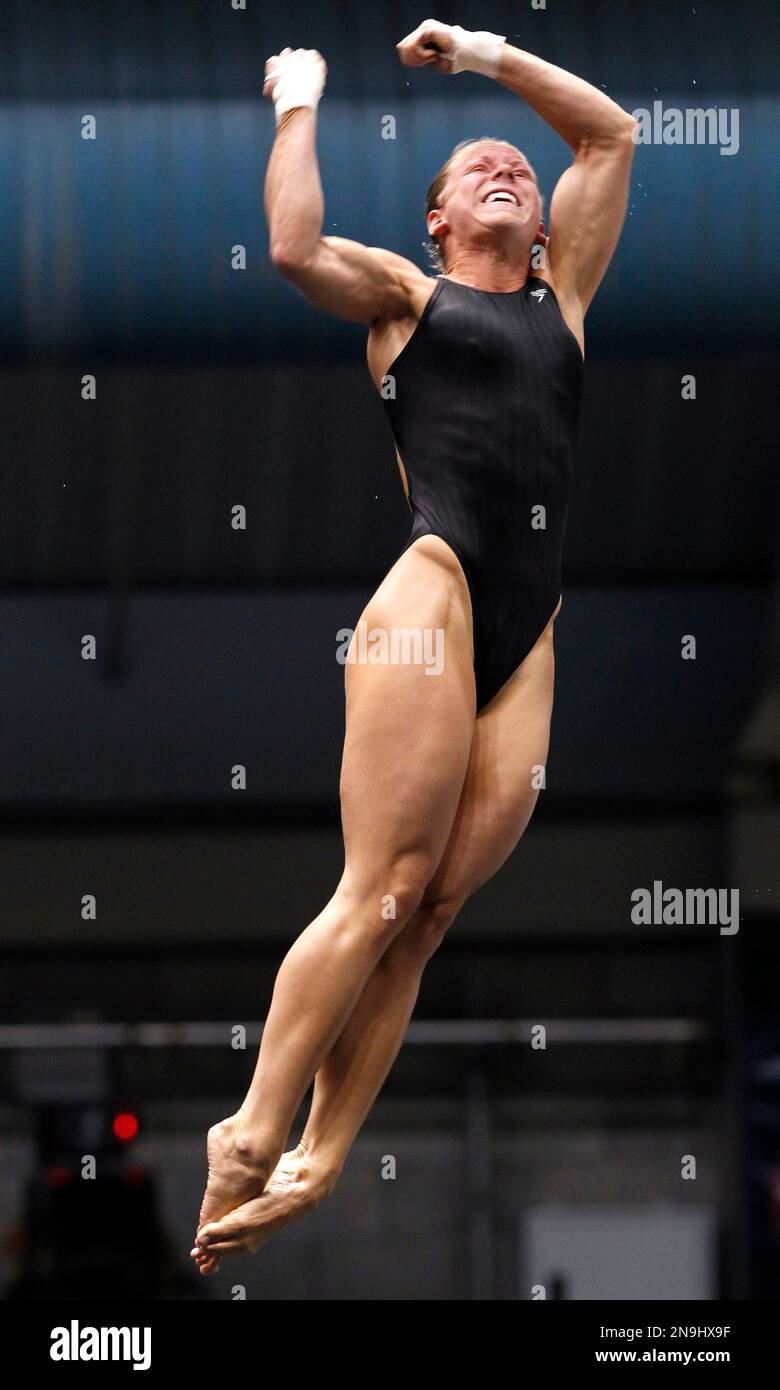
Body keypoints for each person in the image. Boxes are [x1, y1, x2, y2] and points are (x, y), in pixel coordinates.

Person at [191, 18, 636, 1274]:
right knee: (379, 880)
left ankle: (324, 1154)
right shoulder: (404, 296)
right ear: (437, 224)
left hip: (527, 633)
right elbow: (288, 248)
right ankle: (251, 1127)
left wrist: (492, 59)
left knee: (429, 910)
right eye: (474, 171)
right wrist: (300, 99)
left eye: (517, 171)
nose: (506, 168)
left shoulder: (570, 299)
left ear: (542, 224)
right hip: (432, 597)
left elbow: (609, 133)